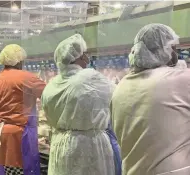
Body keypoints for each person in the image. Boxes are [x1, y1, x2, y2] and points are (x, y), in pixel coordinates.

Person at [111, 24, 190, 175]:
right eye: (173, 47)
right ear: (165, 49)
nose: (176, 52)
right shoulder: (180, 80)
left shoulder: (121, 86)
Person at [41, 34, 119, 175]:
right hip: (88, 146)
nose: (87, 57)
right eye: (85, 53)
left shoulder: (51, 85)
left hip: (60, 145)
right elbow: (118, 96)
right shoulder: (89, 78)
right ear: (80, 56)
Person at [0, 44, 46, 175]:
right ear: (19, 61)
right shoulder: (26, 77)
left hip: (0, 132)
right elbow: (50, 95)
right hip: (19, 134)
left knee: (10, 170)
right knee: (23, 169)